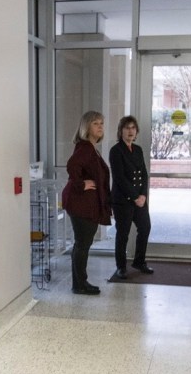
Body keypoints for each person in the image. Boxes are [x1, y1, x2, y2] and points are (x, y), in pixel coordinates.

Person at [61, 111, 112, 295]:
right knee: (82, 244)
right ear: (86, 127)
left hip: (85, 205)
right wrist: (82, 184)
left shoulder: (91, 148)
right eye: (95, 123)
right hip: (81, 204)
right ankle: (80, 285)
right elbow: (72, 166)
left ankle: (80, 282)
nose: (100, 126)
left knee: (82, 244)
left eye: (101, 123)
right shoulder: (85, 148)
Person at [109, 115, 152, 279]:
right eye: (127, 128)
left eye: (133, 128)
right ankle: (121, 267)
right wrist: (135, 197)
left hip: (139, 200)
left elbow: (143, 175)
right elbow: (119, 178)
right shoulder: (116, 150)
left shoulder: (138, 149)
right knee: (123, 234)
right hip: (122, 201)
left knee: (145, 227)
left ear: (136, 132)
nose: (130, 131)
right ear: (120, 131)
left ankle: (139, 262)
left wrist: (143, 195)